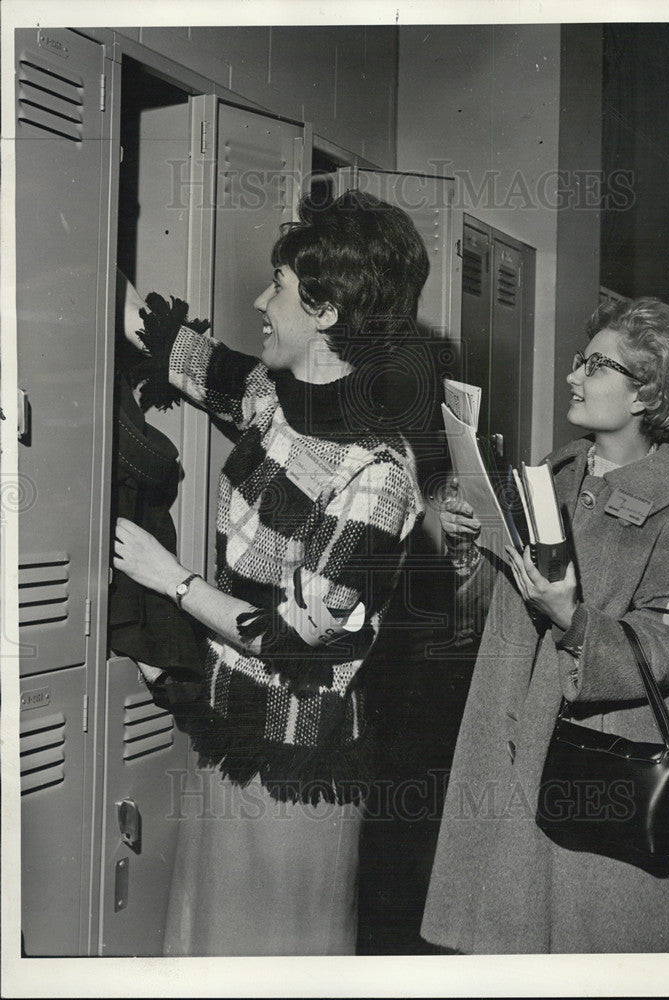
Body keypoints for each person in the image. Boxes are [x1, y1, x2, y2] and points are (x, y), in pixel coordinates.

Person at [114, 190, 429, 955]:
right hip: (233, 736)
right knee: (204, 944)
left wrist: (173, 582)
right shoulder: (275, 398)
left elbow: (289, 639)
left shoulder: (378, 475)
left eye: (279, 286)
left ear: (325, 310)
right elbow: (168, 345)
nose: (260, 300)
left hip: (299, 772)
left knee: (276, 955)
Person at [421, 297, 669, 954]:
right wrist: (467, 539)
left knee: (588, 946)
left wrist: (574, 619)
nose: (574, 377)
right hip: (508, 738)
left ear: (646, 392)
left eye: (596, 366)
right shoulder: (554, 474)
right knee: (505, 942)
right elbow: (493, 598)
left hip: (596, 762)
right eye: (578, 362)